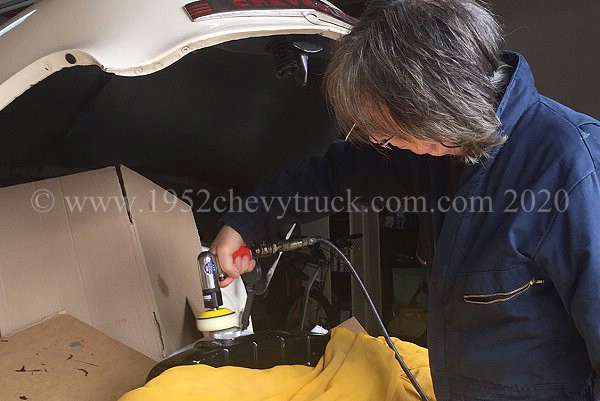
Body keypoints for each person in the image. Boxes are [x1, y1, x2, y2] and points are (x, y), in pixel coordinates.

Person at [210, 0, 600, 399]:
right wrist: (246, 222)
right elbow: (331, 175)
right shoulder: (439, 155)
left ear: (438, 101)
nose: (383, 143)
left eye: (390, 131)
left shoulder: (573, 171)